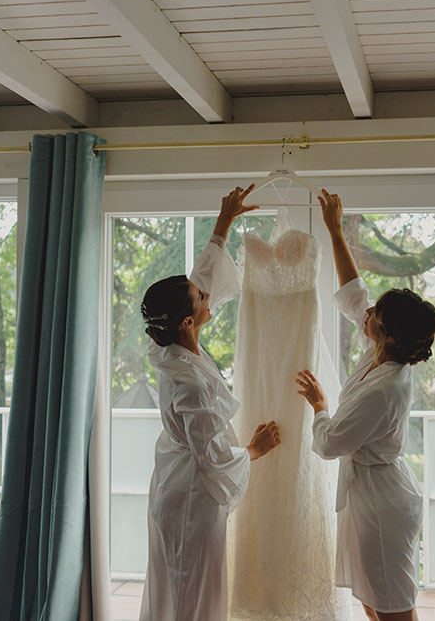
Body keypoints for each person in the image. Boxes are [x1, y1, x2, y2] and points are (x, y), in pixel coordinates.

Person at [294, 189, 435, 621]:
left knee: (394, 608)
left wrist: (320, 403)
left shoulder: (385, 388)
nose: (368, 311)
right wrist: (335, 231)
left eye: (377, 313)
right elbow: (354, 294)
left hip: (382, 507)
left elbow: (330, 443)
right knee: (372, 600)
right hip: (369, 498)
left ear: (389, 334)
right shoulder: (380, 353)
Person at [138, 184, 281, 621]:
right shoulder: (191, 384)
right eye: (200, 298)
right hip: (190, 500)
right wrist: (255, 450)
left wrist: (224, 222)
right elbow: (213, 456)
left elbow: (200, 280)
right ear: (187, 320)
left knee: (179, 589)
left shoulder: (172, 347)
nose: (205, 293)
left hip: (174, 485)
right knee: (190, 595)